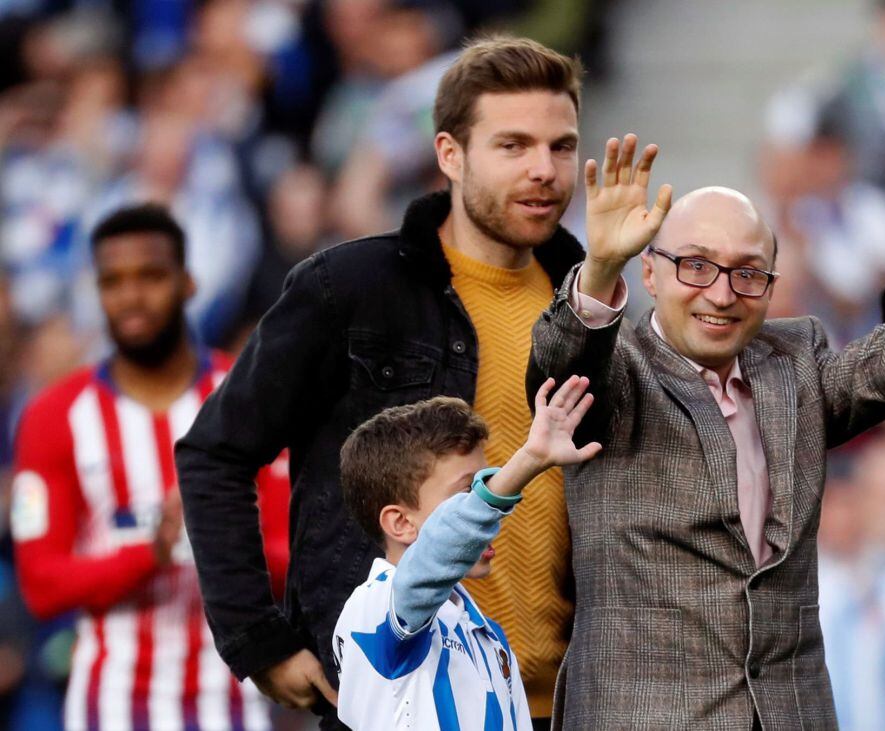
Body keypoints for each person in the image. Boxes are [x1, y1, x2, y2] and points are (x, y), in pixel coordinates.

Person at [527, 134, 885, 729]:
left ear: (771, 286)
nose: (722, 294)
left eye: (748, 273)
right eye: (696, 266)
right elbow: (560, 365)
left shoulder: (793, 366)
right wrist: (598, 269)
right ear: (649, 271)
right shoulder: (613, 371)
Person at [176, 36, 586, 729]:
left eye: (562, 146)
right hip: (399, 701)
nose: (543, 170)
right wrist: (258, 639)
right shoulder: (349, 288)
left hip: (567, 701)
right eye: (513, 146)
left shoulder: (587, 309)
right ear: (449, 154)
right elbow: (215, 451)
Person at [9, 204, 288, 731]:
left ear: (187, 283)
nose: (131, 297)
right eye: (113, 281)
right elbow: (41, 585)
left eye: (151, 276)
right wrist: (151, 554)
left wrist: (220, 538)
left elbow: (297, 557)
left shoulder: (250, 399)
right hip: (108, 707)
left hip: (232, 704)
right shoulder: (53, 416)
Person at [333, 375, 600, 730]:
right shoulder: (376, 606)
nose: (487, 511)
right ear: (400, 523)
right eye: (467, 493)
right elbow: (434, 556)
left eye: (485, 485)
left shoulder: (486, 634)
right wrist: (528, 461)